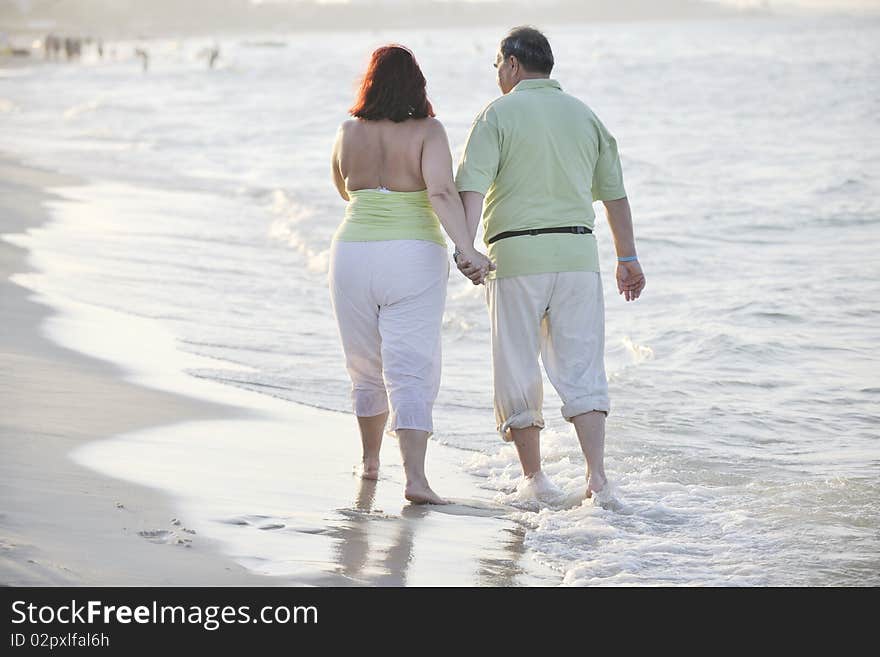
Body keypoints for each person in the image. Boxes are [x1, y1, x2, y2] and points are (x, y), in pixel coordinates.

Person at [454, 26, 646, 502]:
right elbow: (615, 196)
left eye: (498, 63)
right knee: (583, 367)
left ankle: (535, 478)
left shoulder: (496, 115)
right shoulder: (585, 115)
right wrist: (628, 257)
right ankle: (597, 477)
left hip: (515, 257)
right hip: (579, 258)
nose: (497, 72)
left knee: (518, 366)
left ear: (514, 64)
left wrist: (466, 248)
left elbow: (471, 189)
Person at [329, 44, 492, 505]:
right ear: (417, 83)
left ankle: (370, 463)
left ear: (370, 83)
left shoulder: (347, 131)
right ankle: (416, 480)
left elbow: (343, 189)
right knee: (410, 368)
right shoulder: (429, 130)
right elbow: (441, 191)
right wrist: (468, 250)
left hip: (352, 253)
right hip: (413, 256)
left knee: (364, 367)